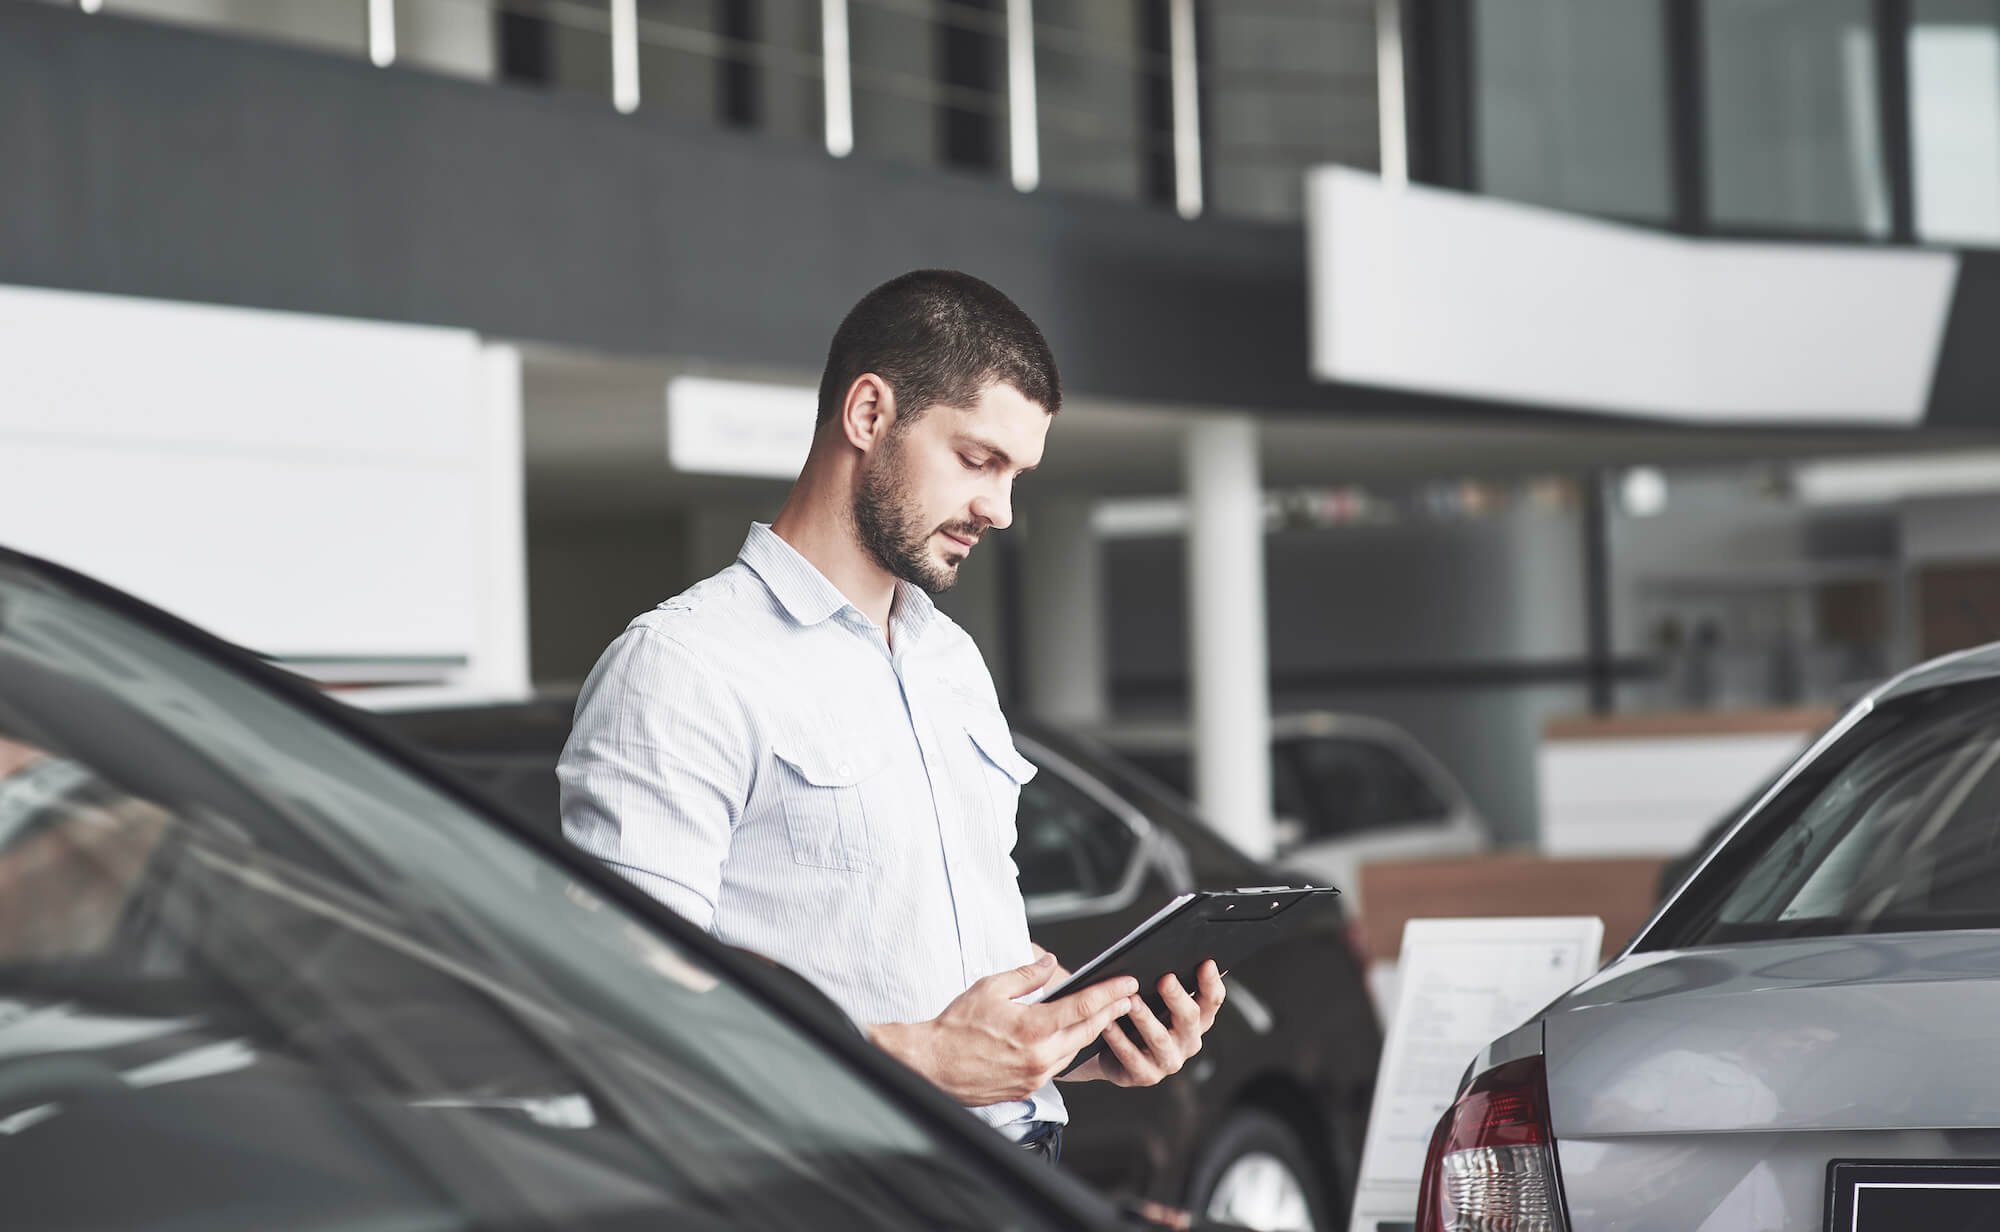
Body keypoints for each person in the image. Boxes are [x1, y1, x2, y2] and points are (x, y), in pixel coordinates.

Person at [559, 269, 1225, 1161]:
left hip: (1021, 1172)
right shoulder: (681, 668)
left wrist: (1067, 1047)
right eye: (978, 460)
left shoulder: (951, 661)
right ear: (869, 414)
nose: (1000, 508)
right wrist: (926, 1060)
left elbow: (925, 965)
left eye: (1017, 475)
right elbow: (624, 1016)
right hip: (840, 1188)